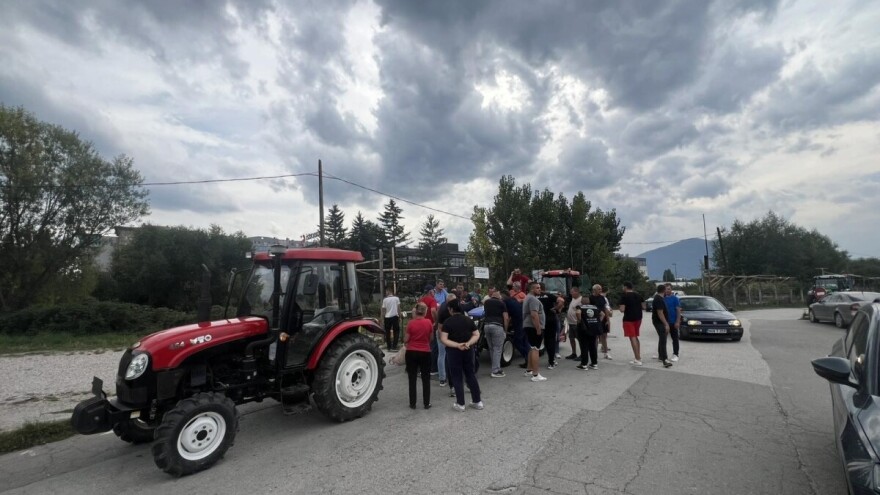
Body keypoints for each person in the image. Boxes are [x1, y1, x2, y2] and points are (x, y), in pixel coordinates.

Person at [439, 299, 483, 411]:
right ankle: (477, 401)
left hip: (454, 352)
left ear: (451, 309)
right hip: (468, 349)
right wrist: (468, 343)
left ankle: (460, 404)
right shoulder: (468, 320)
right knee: (471, 374)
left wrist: (457, 345)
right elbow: (476, 334)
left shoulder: (448, 322)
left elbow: (443, 339)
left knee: (457, 377)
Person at [403, 302, 433, 409]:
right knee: (426, 378)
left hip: (411, 352)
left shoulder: (411, 323)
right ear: (425, 311)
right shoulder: (429, 322)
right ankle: (426, 403)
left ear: (416, 311)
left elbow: (406, 339)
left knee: (412, 378)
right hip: (425, 351)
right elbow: (431, 338)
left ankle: (412, 403)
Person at [522, 282, 548, 382]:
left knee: (532, 348)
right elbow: (534, 315)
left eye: (540, 288)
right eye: (537, 288)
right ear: (532, 289)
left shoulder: (528, 297)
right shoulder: (533, 299)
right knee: (536, 349)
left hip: (529, 326)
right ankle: (536, 374)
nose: (539, 290)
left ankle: (529, 370)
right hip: (533, 327)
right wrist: (538, 328)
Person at [575, 289, 606, 370]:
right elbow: (603, 314)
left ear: (581, 301)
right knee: (592, 346)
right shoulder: (595, 307)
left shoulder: (580, 307)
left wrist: (579, 320)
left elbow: (578, 313)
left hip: (584, 329)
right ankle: (594, 363)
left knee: (584, 346)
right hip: (594, 328)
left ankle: (584, 364)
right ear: (589, 301)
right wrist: (598, 321)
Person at [482, 287, 509, 378]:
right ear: (499, 297)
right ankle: (495, 370)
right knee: (498, 349)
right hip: (497, 326)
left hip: (487, 326)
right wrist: (505, 330)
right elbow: (505, 318)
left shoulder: (486, 302)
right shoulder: (502, 303)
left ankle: (496, 367)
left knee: (491, 348)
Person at [538, 283, 564, 370]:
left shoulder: (534, 296)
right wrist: (556, 309)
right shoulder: (549, 295)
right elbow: (562, 301)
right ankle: (551, 362)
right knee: (551, 341)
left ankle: (531, 363)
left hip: (539, 321)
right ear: (544, 288)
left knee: (537, 342)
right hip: (550, 320)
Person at [618, 282, 644, 366]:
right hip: (638, 318)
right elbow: (644, 306)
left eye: (623, 287)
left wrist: (621, 308)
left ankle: (638, 359)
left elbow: (622, 309)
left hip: (629, 319)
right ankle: (638, 356)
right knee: (635, 337)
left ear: (625, 287)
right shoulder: (638, 295)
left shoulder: (624, 296)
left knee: (632, 338)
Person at [501, 289, 528, 367]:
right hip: (524, 320)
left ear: (503, 296)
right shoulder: (513, 299)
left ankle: (528, 358)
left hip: (519, 323)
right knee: (524, 341)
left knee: (517, 342)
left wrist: (505, 329)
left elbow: (506, 317)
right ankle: (529, 359)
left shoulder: (505, 302)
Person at [436, 293, 457, 387]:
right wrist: (442, 338)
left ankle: (444, 378)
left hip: (448, 333)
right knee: (443, 355)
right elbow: (440, 326)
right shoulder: (445, 310)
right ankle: (443, 378)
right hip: (444, 333)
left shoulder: (444, 306)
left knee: (443, 355)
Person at [652, 285, 674, 368]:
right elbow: (660, 313)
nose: (667, 291)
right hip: (659, 322)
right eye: (666, 290)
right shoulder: (658, 299)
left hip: (660, 322)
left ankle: (661, 356)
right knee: (663, 340)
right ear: (664, 290)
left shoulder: (659, 298)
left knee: (662, 338)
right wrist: (666, 324)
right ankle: (665, 359)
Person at [664, 283, 682, 362]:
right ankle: (662, 354)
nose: (667, 290)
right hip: (665, 322)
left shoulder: (675, 299)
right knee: (663, 338)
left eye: (668, 289)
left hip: (673, 322)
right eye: (665, 289)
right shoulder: (662, 298)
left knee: (675, 339)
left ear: (671, 289)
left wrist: (677, 321)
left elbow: (678, 311)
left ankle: (675, 354)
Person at [594, 284, 613, 360]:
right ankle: (594, 353)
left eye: (601, 289)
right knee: (595, 337)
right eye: (599, 289)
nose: (601, 291)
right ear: (594, 290)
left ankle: (606, 353)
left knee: (604, 337)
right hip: (595, 319)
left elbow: (605, 309)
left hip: (604, 319)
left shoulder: (603, 298)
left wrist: (608, 320)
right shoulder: (591, 298)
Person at [564, 286, 582, 360]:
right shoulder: (573, 299)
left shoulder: (580, 300)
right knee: (571, 338)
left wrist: (579, 321)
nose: (571, 293)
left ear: (577, 292)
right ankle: (574, 353)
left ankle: (582, 354)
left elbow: (580, 311)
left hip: (576, 323)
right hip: (571, 323)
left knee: (580, 339)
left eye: (572, 292)